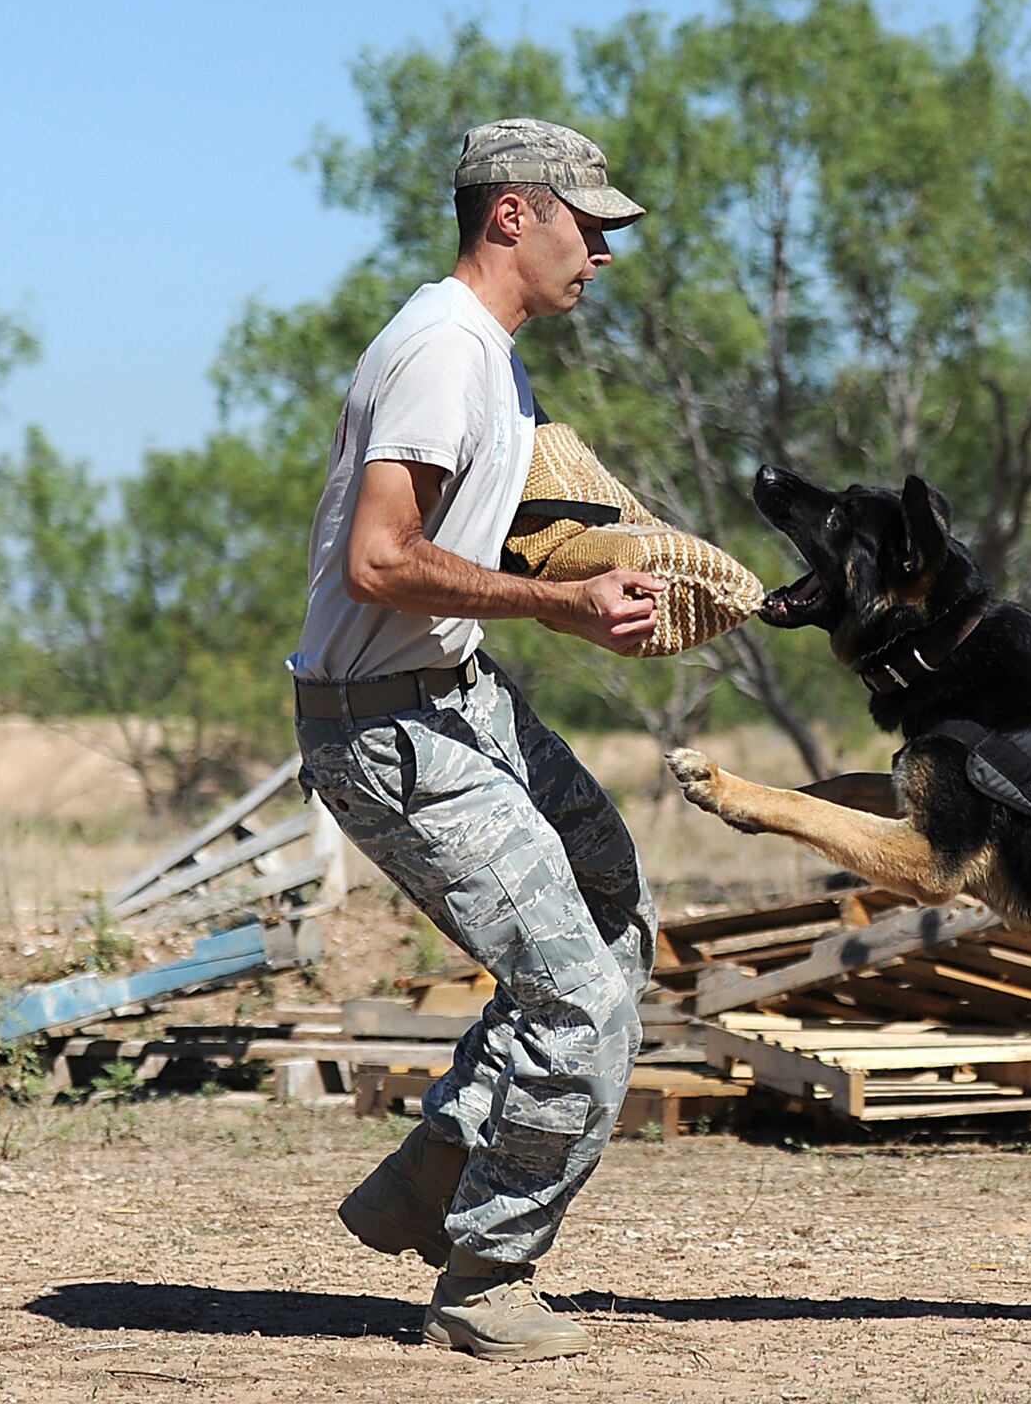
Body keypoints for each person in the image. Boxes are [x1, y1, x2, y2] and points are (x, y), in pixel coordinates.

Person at [289, 118, 664, 1363]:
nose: (602, 250)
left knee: (613, 905)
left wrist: (635, 560)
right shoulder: (445, 353)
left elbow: (522, 518)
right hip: (388, 726)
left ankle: (433, 1165)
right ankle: (487, 1274)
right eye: (587, 221)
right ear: (513, 212)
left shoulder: (492, 358)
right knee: (578, 1000)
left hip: (454, 693)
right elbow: (381, 559)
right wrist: (565, 604)